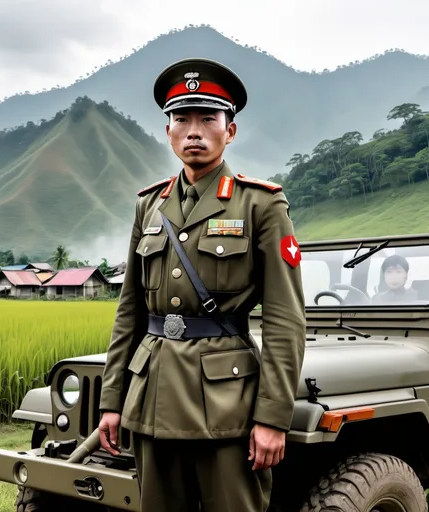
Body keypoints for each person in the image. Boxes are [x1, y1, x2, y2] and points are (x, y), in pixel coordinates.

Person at [98, 57, 307, 512]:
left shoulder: (261, 205)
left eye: (208, 118)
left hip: (227, 404)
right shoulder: (150, 205)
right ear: (168, 130)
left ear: (229, 130)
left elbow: (285, 319)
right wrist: (112, 400)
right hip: (152, 397)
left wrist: (272, 418)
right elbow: (129, 310)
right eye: (181, 119)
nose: (194, 130)